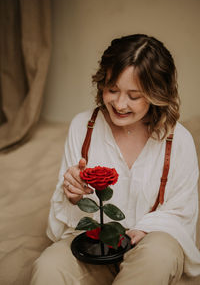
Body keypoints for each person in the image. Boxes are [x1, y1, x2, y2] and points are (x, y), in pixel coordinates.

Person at [30, 34, 200, 285]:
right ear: (102, 83)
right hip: (94, 244)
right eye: (112, 90)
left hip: (151, 244)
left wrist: (145, 229)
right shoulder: (82, 127)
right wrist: (72, 195)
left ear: (157, 94)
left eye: (134, 95)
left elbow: (182, 210)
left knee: (159, 255)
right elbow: (65, 222)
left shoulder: (179, 140)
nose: (120, 104)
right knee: (49, 266)